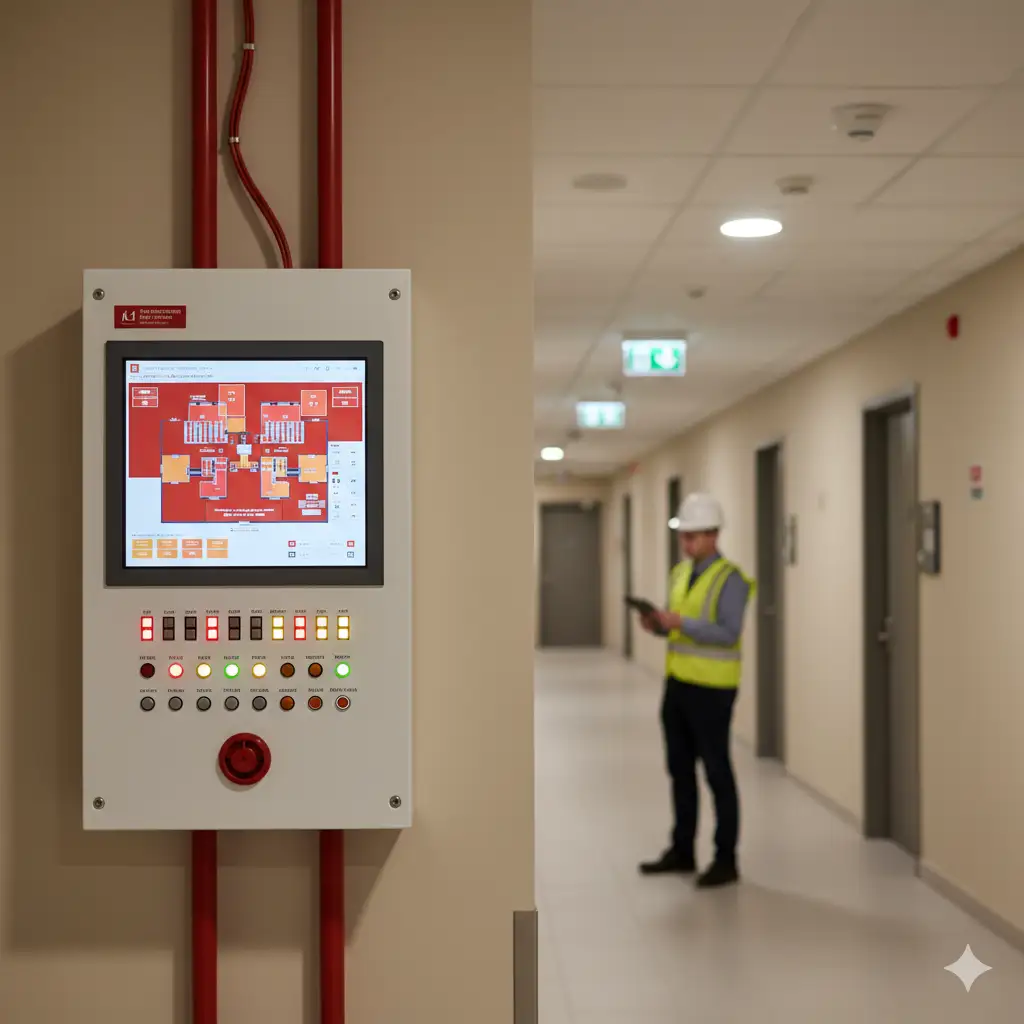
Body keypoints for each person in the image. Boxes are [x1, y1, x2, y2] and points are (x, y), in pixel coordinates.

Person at [638, 492, 755, 888]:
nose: (687, 543)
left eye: (694, 536)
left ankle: (726, 859)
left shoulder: (732, 580)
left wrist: (680, 623)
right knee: (679, 771)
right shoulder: (678, 574)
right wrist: (657, 625)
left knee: (717, 773)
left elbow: (727, 632)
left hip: (713, 691)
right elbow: (679, 627)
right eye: (683, 536)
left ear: (714, 535)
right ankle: (682, 850)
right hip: (679, 685)